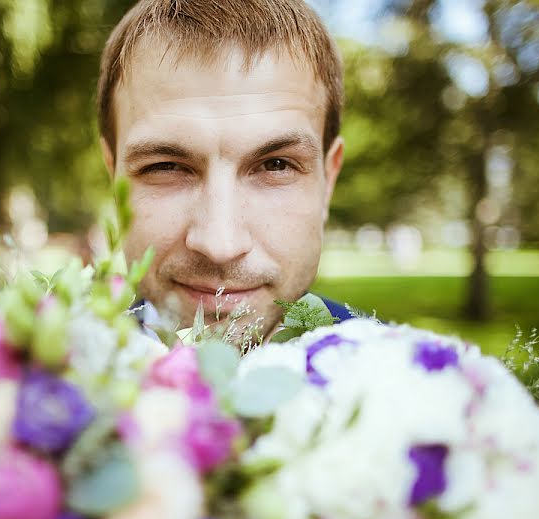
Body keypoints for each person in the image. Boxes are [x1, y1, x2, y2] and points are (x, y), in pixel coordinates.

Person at [96, 0, 353, 339]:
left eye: (275, 165)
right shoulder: (41, 379)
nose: (220, 244)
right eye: (166, 166)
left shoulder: (414, 377)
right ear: (114, 176)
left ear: (328, 180)